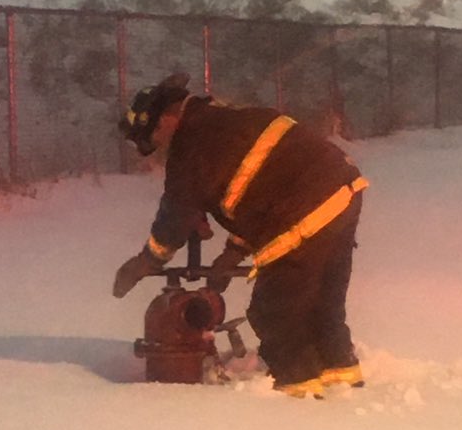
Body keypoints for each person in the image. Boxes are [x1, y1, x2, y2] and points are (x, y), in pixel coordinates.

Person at [112, 73, 368, 397]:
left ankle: (301, 395)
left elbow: (174, 216)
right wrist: (233, 252)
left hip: (304, 206)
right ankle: (343, 379)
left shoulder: (193, 142)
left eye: (156, 136)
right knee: (321, 303)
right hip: (342, 191)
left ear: (166, 116)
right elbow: (261, 191)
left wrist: (146, 260)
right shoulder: (226, 121)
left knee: (274, 312)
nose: (161, 147)